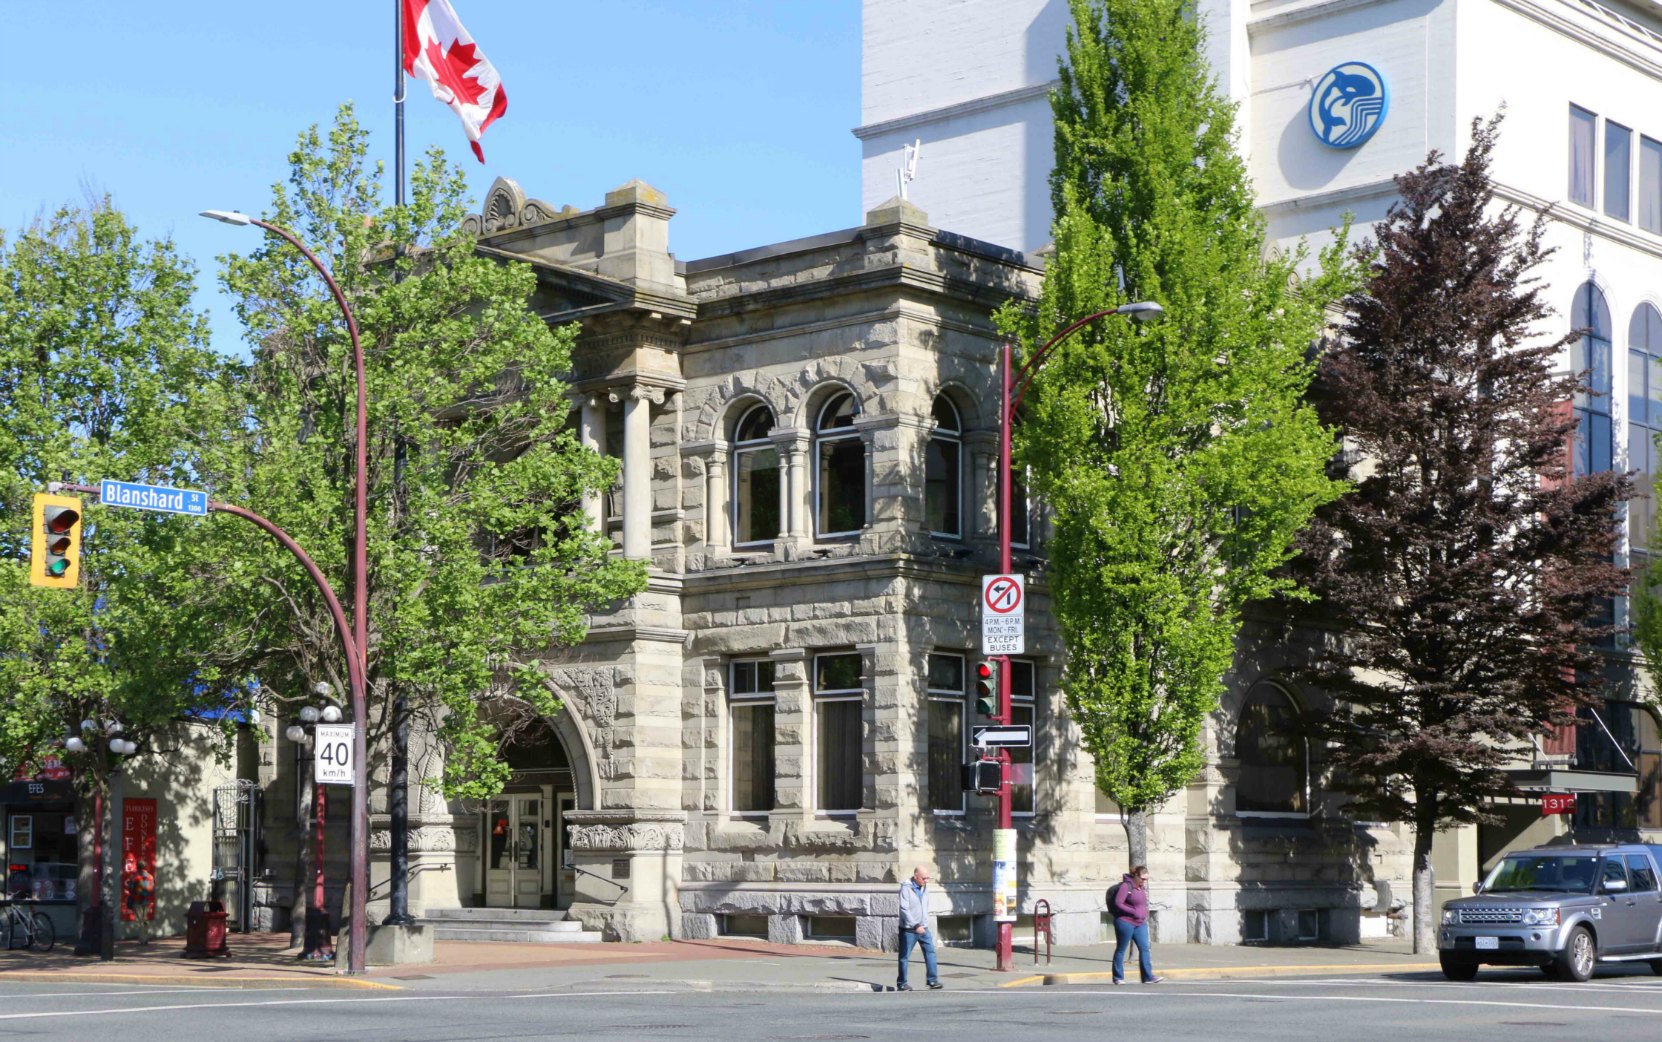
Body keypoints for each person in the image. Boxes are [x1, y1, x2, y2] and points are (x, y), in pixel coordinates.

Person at [1111, 864, 1162, 984]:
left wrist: (1144, 913)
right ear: (1135, 876)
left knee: (1145, 949)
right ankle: (1118, 977)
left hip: (1140, 923)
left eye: (1146, 879)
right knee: (1121, 949)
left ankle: (1148, 977)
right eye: (1142, 878)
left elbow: (1142, 904)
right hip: (1125, 922)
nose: (1144, 881)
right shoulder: (1126, 886)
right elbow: (1118, 903)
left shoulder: (1142, 888)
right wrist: (1133, 911)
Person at [896, 865, 943, 991]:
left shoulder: (924, 887)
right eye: (924, 878)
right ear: (916, 876)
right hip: (909, 929)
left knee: (930, 952)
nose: (926, 880)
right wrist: (915, 925)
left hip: (924, 928)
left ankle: (932, 980)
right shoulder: (906, 888)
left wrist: (923, 923)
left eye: (928, 878)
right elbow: (904, 909)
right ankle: (902, 983)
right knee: (904, 957)